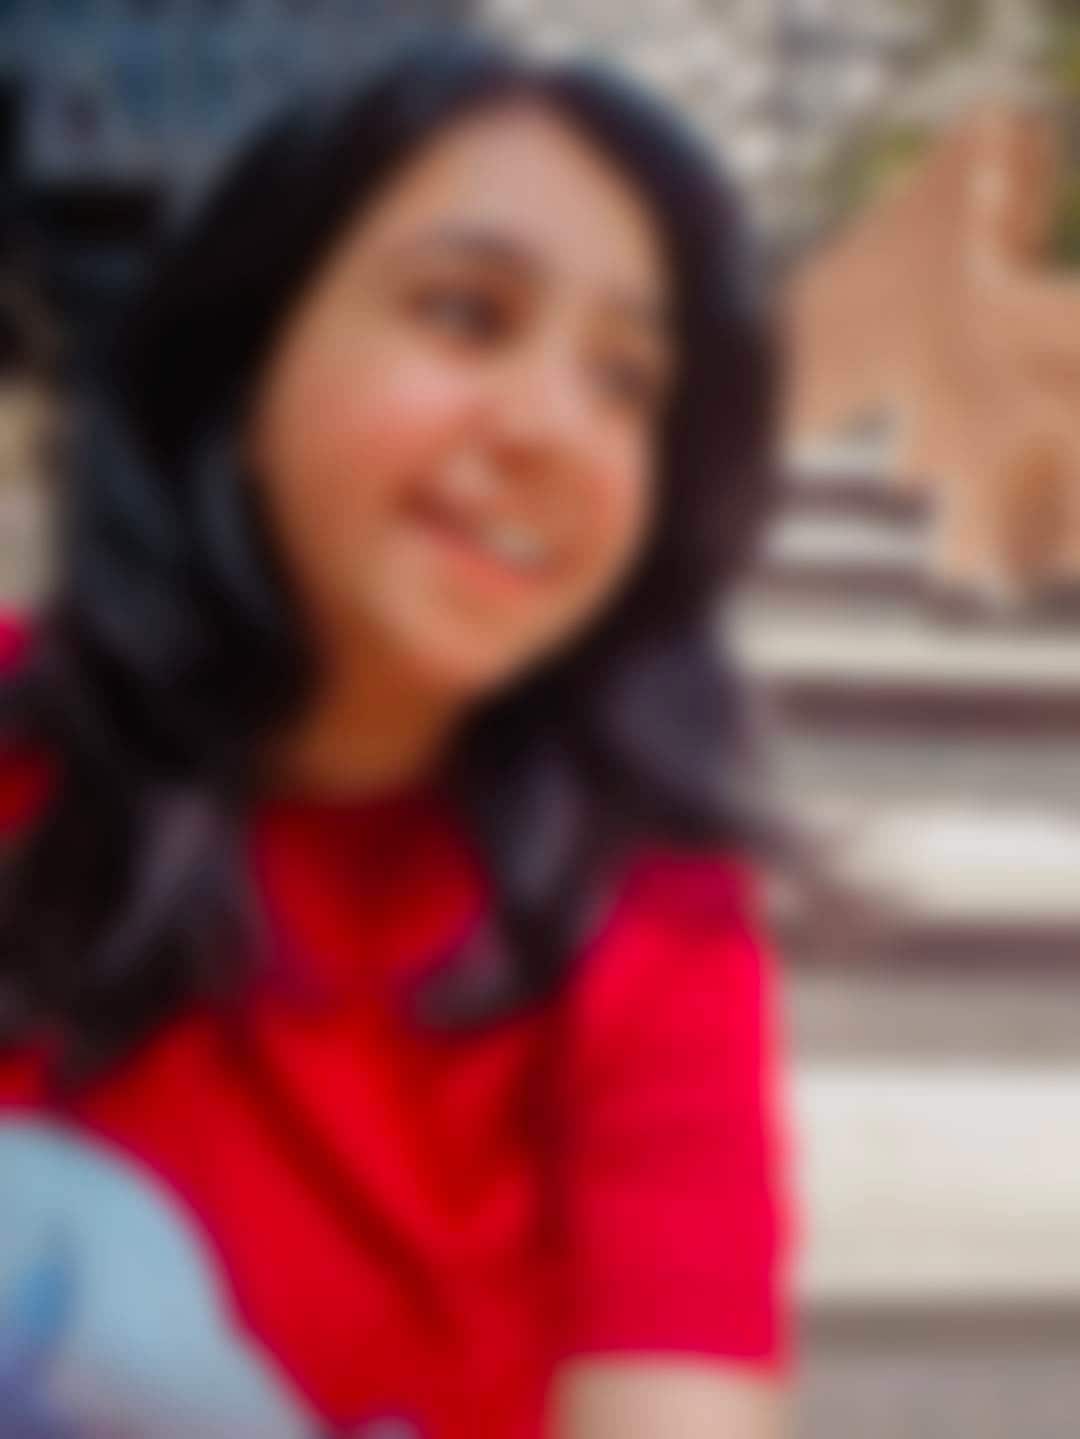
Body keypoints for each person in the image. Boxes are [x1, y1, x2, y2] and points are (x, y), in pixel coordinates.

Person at [0, 33, 793, 1439]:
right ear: (248, 368)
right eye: (466, 314)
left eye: (627, 383)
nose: (552, 427)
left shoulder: (654, 913)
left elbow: (682, 1389)